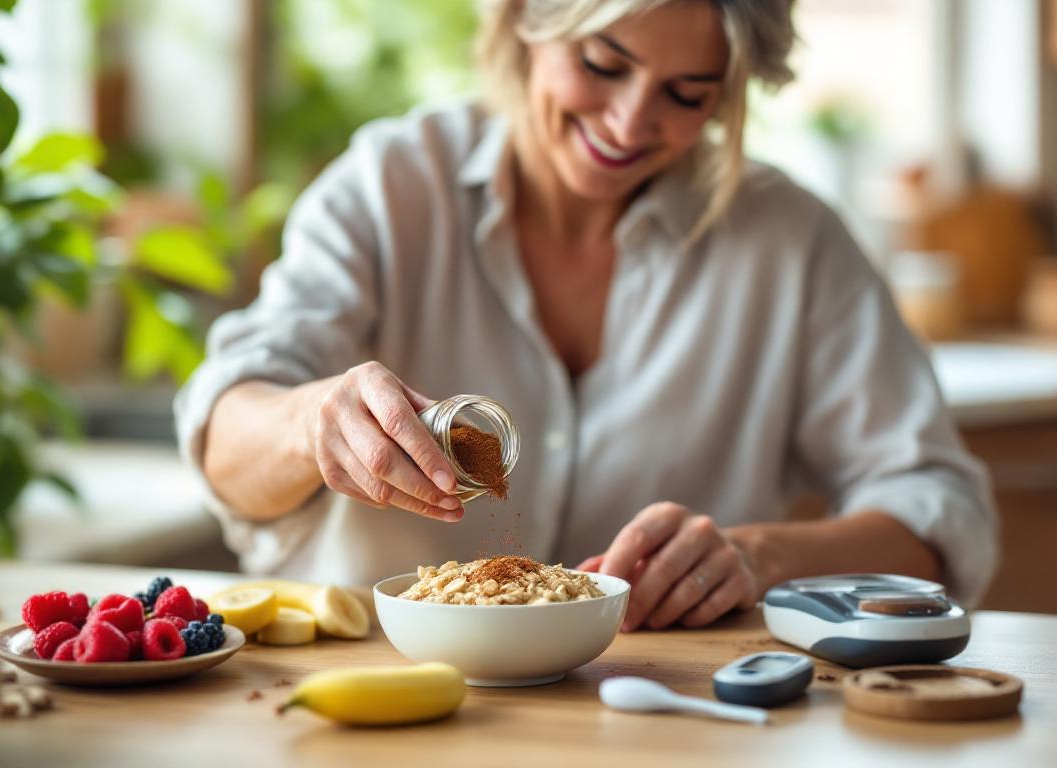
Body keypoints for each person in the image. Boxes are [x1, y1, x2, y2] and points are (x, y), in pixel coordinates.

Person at [175, 0, 997, 632]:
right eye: (604, 64)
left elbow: (940, 508)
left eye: (686, 93)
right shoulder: (390, 188)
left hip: (665, 718)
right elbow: (226, 437)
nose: (632, 121)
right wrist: (310, 422)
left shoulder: (792, 242)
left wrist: (761, 554)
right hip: (379, 698)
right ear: (525, 22)